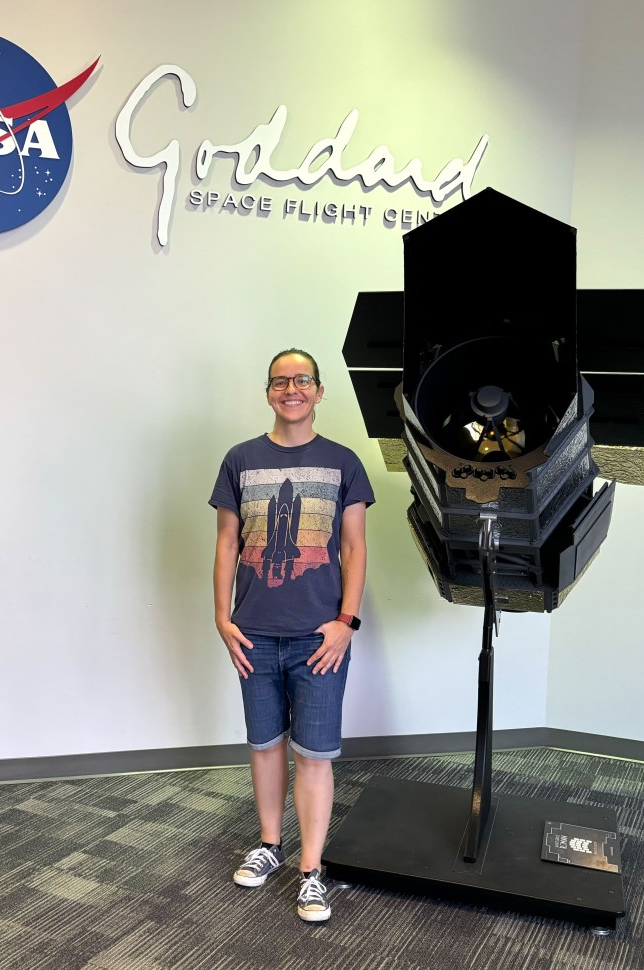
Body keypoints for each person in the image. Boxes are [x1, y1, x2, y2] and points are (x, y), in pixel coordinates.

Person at [209, 348, 374, 922]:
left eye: (302, 379)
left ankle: (311, 871)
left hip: (318, 638)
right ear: (269, 392)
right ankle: (270, 846)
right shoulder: (241, 460)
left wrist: (345, 622)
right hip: (253, 632)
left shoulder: (343, 462)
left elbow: (353, 547)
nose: (292, 389)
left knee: (314, 754)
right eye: (281, 381)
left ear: (319, 391)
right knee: (263, 746)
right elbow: (228, 542)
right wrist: (222, 616)